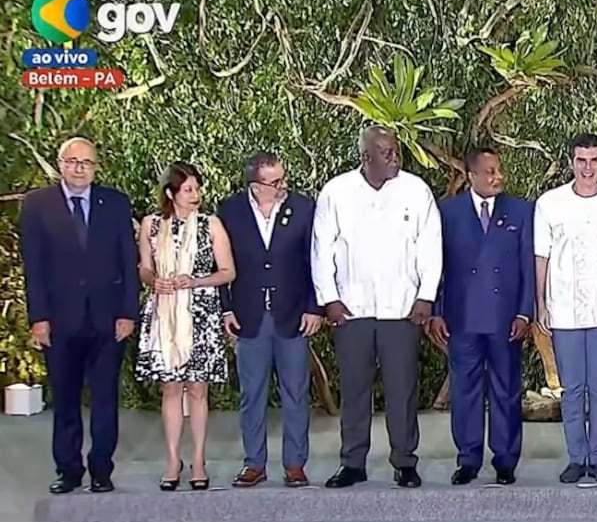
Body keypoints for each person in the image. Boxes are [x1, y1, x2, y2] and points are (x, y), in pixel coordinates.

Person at [312, 125, 441, 488]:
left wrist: (425, 296)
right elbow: (322, 248)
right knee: (354, 390)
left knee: (402, 389)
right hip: (352, 310)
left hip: (401, 309)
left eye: (396, 150)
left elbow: (430, 245)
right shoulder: (337, 192)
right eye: (387, 153)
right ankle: (352, 462)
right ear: (366, 156)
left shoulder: (416, 191)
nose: (395, 158)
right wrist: (330, 299)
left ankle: (405, 461)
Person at [19, 137, 139, 494]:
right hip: (59, 321)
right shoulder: (38, 205)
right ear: (60, 164)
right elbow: (34, 267)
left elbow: (128, 264)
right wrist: (38, 318)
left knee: (105, 400)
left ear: (95, 167)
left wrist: (127, 313)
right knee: (66, 400)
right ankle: (68, 470)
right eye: (72, 162)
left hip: (107, 321)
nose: (79, 168)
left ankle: (101, 469)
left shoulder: (115, 203)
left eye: (86, 162)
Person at [533, 134, 597, 484]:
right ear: (571, 162)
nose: (587, 167)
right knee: (572, 389)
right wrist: (541, 304)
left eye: (593, 160)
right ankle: (577, 459)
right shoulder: (550, 203)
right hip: (565, 311)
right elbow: (541, 256)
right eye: (581, 160)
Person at [428, 147, 533, 485]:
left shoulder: (521, 211)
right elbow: (436, 267)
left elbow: (528, 267)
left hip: (505, 319)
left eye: (499, 170)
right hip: (462, 318)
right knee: (465, 390)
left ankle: (505, 460)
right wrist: (436, 312)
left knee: (506, 389)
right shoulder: (448, 212)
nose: (497, 176)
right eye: (489, 171)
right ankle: (468, 458)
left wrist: (524, 312)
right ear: (471, 176)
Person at [218, 152, 324, 488]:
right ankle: (254, 463)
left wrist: (314, 307)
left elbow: (315, 260)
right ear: (254, 184)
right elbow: (219, 264)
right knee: (252, 394)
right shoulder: (229, 210)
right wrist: (226, 308)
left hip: (292, 314)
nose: (283, 186)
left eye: (283, 178)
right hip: (249, 315)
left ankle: (295, 464)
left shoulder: (304, 207)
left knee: (296, 391)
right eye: (275, 182)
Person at [135, 163, 236, 490]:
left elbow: (228, 272)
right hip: (165, 314)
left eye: (198, 188)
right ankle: (171, 460)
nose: (196, 195)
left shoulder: (212, 225)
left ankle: (198, 461)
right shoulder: (151, 225)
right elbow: (145, 269)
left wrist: (195, 281)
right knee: (171, 388)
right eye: (189, 190)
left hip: (201, 313)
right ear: (171, 193)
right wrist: (156, 281)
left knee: (198, 389)